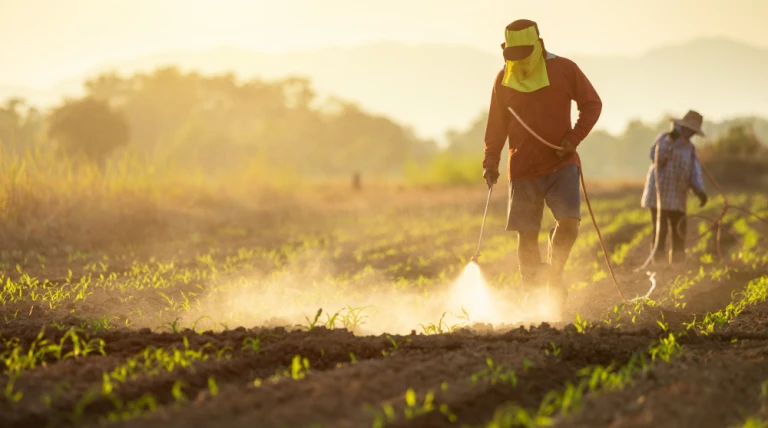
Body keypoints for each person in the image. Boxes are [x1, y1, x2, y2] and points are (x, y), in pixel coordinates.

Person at [482, 19, 602, 307]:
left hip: (561, 163)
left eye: (524, 52)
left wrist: (573, 138)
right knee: (526, 234)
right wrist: (491, 161)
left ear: (538, 46)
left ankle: (554, 274)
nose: (519, 59)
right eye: (513, 54)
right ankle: (533, 294)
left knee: (569, 225)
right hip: (522, 168)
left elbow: (592, 104)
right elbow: (496, 125)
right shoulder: (503, 79)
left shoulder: (564, 69)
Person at [641, 110, 708, 264]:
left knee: (679, 230)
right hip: (659, 195)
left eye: (693, 131)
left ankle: (677, 265)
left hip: (678, 197)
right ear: (681, 127)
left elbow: (694, 173)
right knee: (660, 230)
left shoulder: (691, 149)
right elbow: (655, 157)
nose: (690, 133)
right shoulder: (664, 139)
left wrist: (700, 191)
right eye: (688, 129)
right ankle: (657, 264)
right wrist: (671, 140)